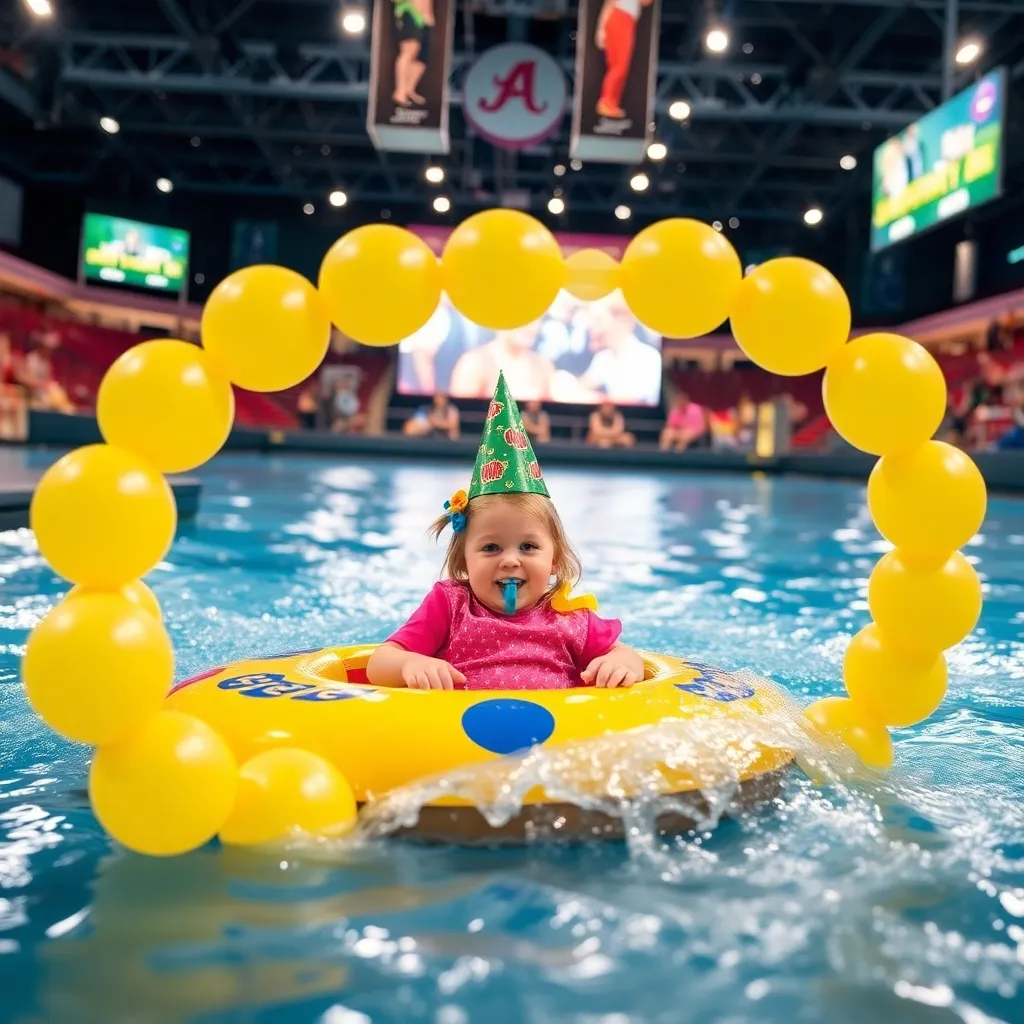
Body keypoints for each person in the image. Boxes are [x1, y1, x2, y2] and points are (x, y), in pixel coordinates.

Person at [366, 373, 643, 691]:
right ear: (462, 560)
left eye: (527, 547)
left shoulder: (570, 618)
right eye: (491, 548)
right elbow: (380, 663)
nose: (510, 560)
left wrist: (620, 663)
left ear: (554, 559)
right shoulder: (450, 606)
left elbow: (627, 656)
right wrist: (412, 663)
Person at [575, 291, 662, 406]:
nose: (595, 328)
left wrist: (592, 398)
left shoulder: (649, 357)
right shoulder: (603, 358)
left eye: (600, 320)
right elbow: (579, 387)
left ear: (623, 322)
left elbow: (634, 402)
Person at [448, 322, 556, 402]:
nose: (532, 327)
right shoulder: (473, 363)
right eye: (523, 318)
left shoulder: (544, 366)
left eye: (535, 318)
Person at [595, 0, 655, 120]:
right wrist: (601, 29)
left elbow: (645, 2)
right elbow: (609, 4)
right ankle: (606, 102)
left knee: (617, 66)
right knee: (620, 66)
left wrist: (601, 28)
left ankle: (611, 102)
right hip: (620, 18)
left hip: (624, 20)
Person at [392, 0, 434, 107]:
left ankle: (409, 89)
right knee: (408, 51)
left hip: (424, 19)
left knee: (422, 58)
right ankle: (400, 91)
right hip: (410, 12)